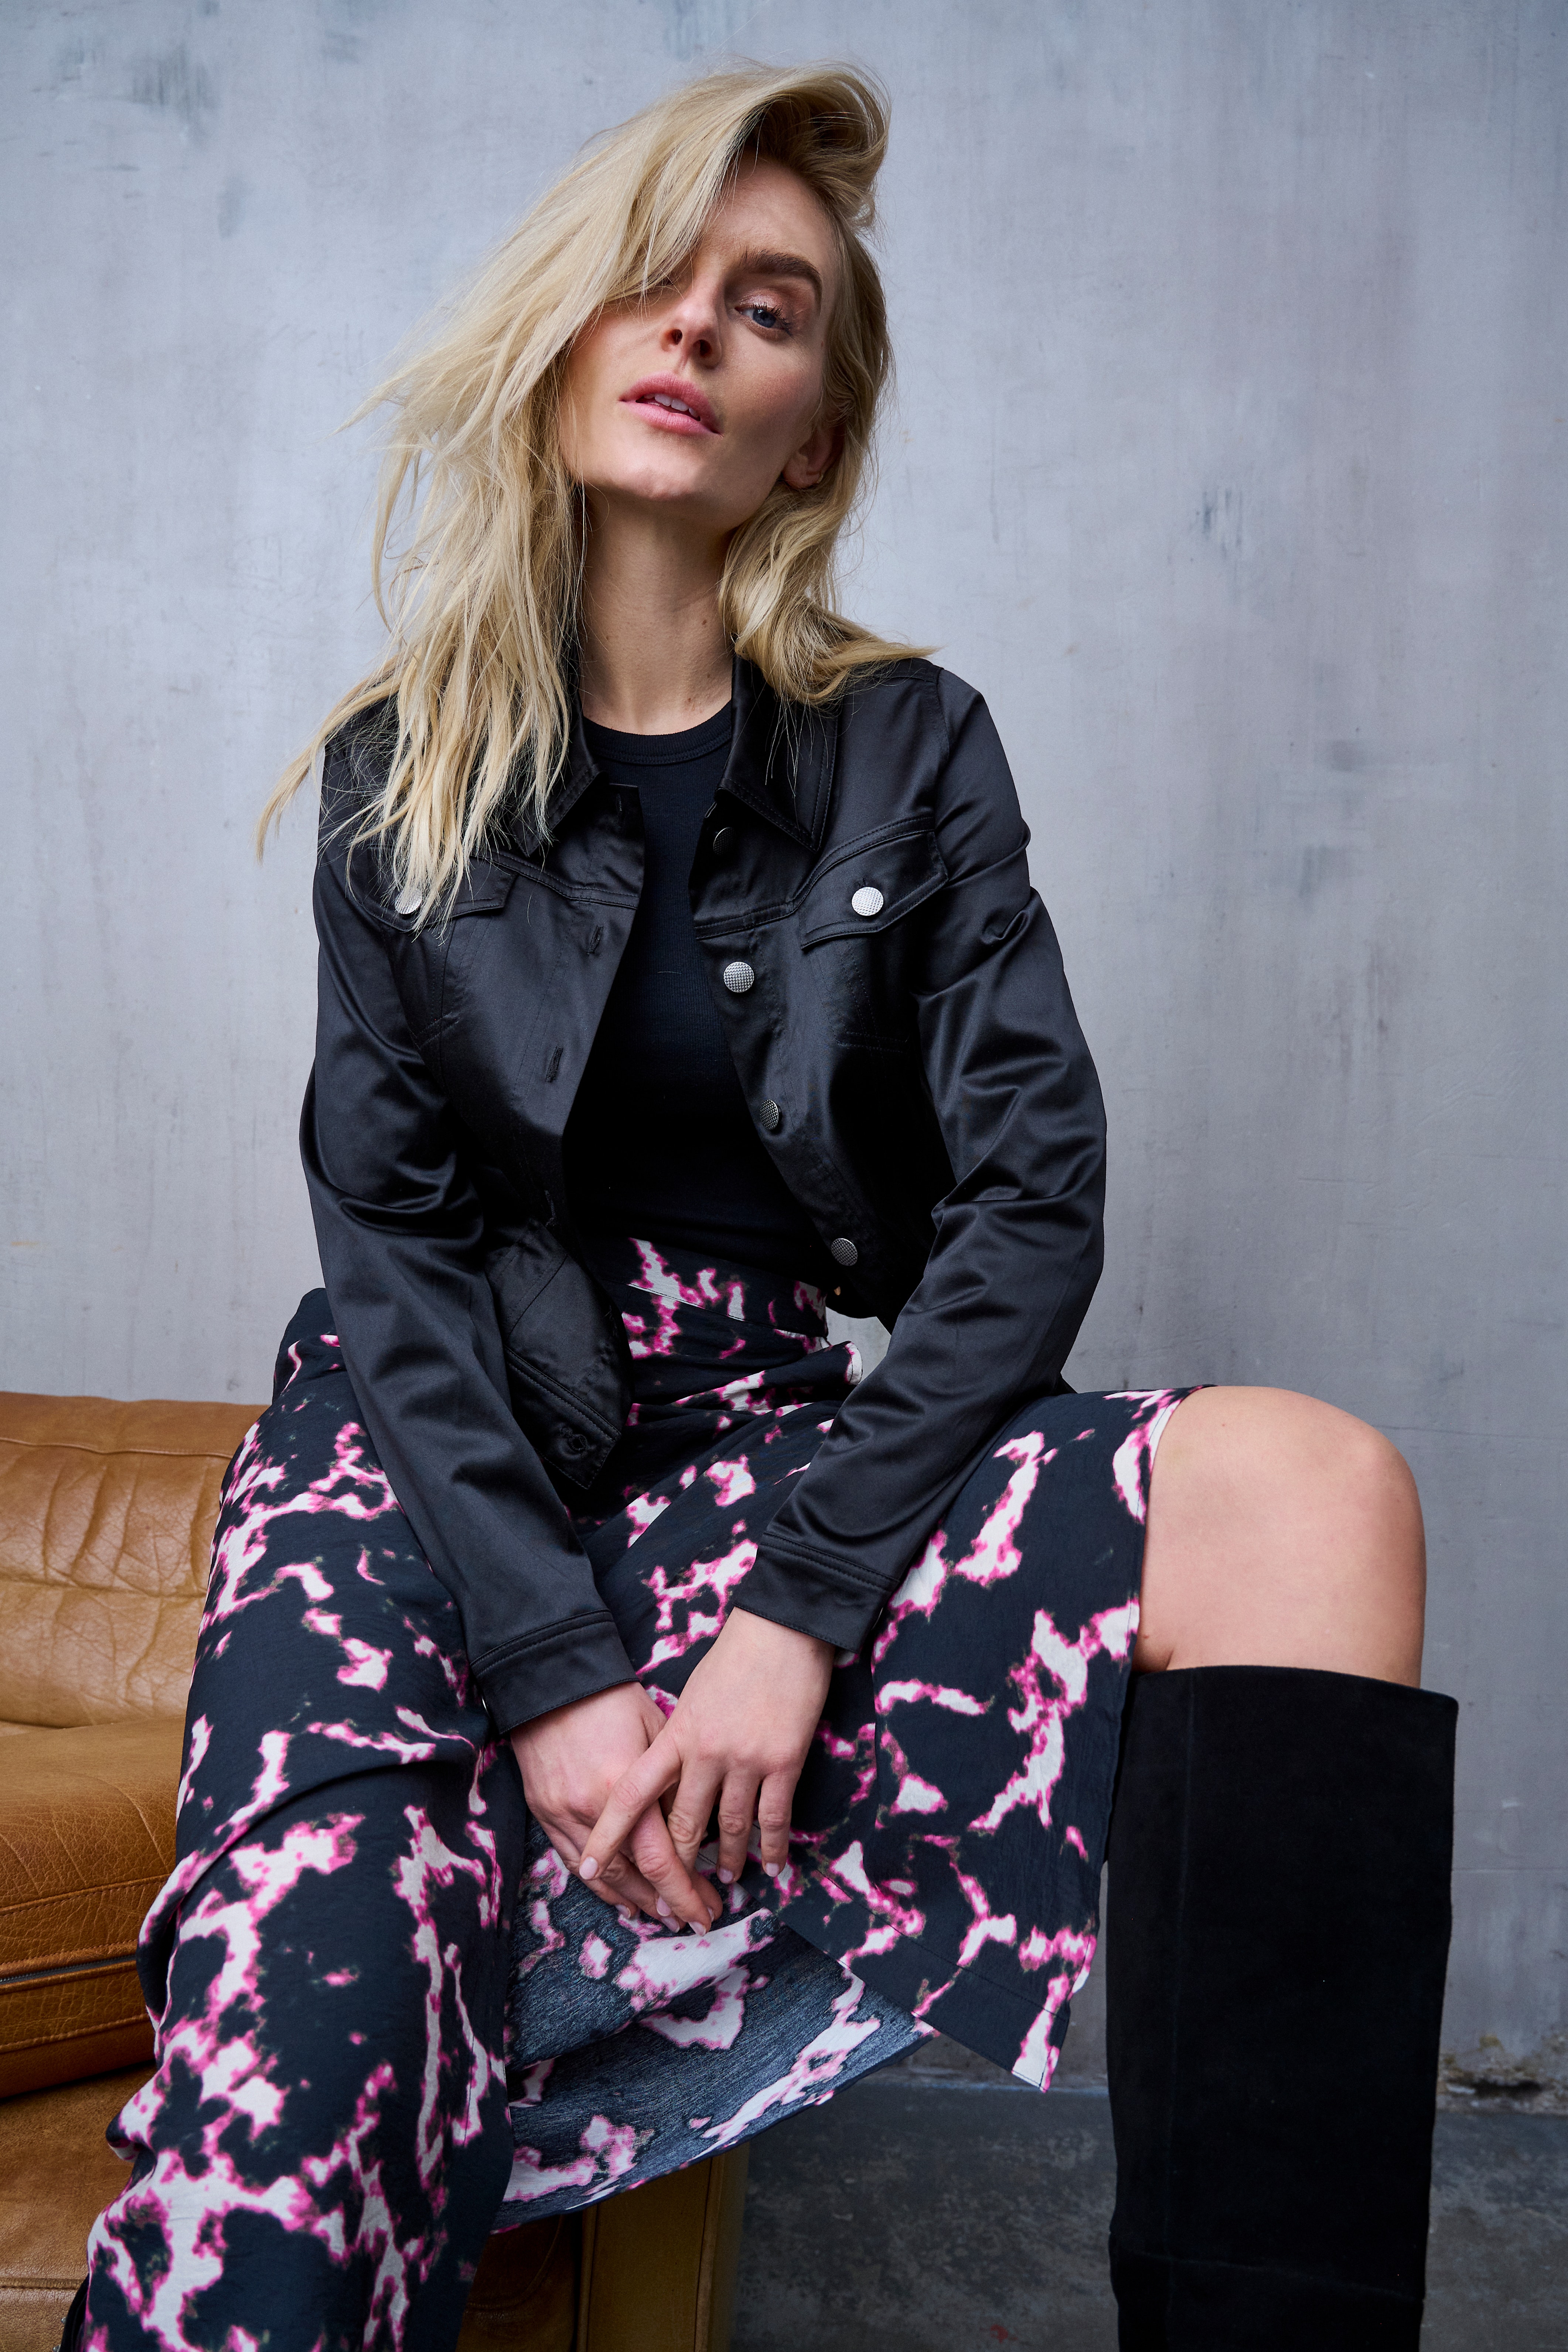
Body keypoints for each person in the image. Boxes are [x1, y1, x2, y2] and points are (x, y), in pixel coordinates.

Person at [75, 62, 1456, 2352]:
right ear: (560, 345)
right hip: (424, 1474)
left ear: (811, 435)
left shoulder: (912, 747)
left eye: (771, 306)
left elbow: (1031, 1198)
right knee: (326, 1991)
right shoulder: (399, 776)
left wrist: (801, 1608)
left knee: (1316, 1495)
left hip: (766, 1454)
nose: (697, 328)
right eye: (651, 278)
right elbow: (394, 1258)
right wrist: (552, 1671)